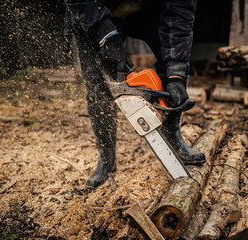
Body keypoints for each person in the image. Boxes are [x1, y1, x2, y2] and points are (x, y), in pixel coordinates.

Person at [64, 0, 205, 187]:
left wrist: (176, 75)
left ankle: (174, 139)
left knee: (173, 62)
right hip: (92, 12)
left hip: (148, 11)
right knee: (98, 85)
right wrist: (106, 35)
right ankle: (106, 157)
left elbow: (179, 13)